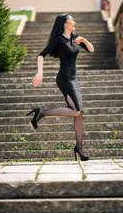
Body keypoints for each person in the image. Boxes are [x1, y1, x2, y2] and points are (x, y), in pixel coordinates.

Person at [27, 13, 94, 161]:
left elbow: (91, 49)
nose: (74, 22)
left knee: (80, 113)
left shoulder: (75, 37)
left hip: (74, 79)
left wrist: (83, 40)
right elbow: (41, 55)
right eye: (71, 20)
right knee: (76, 110)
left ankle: (80, 148)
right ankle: (42, 112)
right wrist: (39, 73)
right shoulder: (58, 40)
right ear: (64, 23)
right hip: (64, 78)